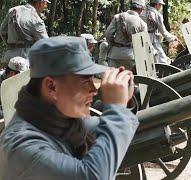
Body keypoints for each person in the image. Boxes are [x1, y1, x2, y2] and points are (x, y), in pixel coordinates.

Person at [0, 36, 139, 180]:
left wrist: (124, 102)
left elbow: (104, 128)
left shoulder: (57, 123)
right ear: (51, 86)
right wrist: (117, 108)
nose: (93, 90)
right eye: (85, 80)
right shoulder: (21, 145)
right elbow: (92, 176)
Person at [0, 0, 50, 65]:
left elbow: (2, 31)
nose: (45, 6)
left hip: (9, 56)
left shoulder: (13, 10)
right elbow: (45, 43)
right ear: (40, 3)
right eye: (45, 4)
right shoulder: (36, 19)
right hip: (25, 59)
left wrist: (11, 44)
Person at [105, 0, 147, 70]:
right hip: (131, 56)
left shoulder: (117, 17)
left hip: (115, 54)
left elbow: (108, 34)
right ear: (141, 9)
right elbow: (143, 43)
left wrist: (113, 44)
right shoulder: (142, 24)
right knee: (129, 79)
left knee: (113, 78)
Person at [140, 0, 178, 64]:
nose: (161, 7)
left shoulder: (142, 12)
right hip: (152, 38)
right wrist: (173, 38)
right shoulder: (157, 14)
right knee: (162, 58)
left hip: (140, 38)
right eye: (160, 5)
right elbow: (163, 31)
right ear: (157, 4)